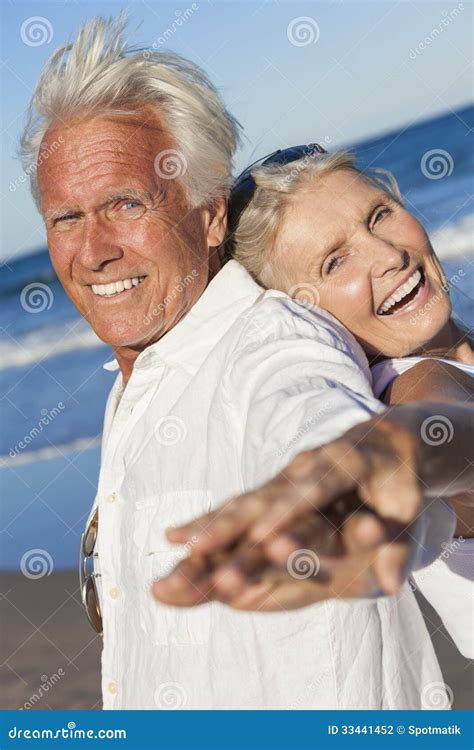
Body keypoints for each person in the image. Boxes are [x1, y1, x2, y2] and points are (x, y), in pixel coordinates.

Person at [23, 16, 472, 709]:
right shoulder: (147, 372)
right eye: (66, 218)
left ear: (208, 217)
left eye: (124, 204)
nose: (93, 250)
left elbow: (339, 416)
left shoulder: (274, 348)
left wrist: (377, 470)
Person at [156, 145, 473, 662]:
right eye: (335, 261)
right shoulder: (415, 385)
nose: (388, 256)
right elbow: (443, 430)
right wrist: (391, 457)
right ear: (306, 319)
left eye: (379, 215)